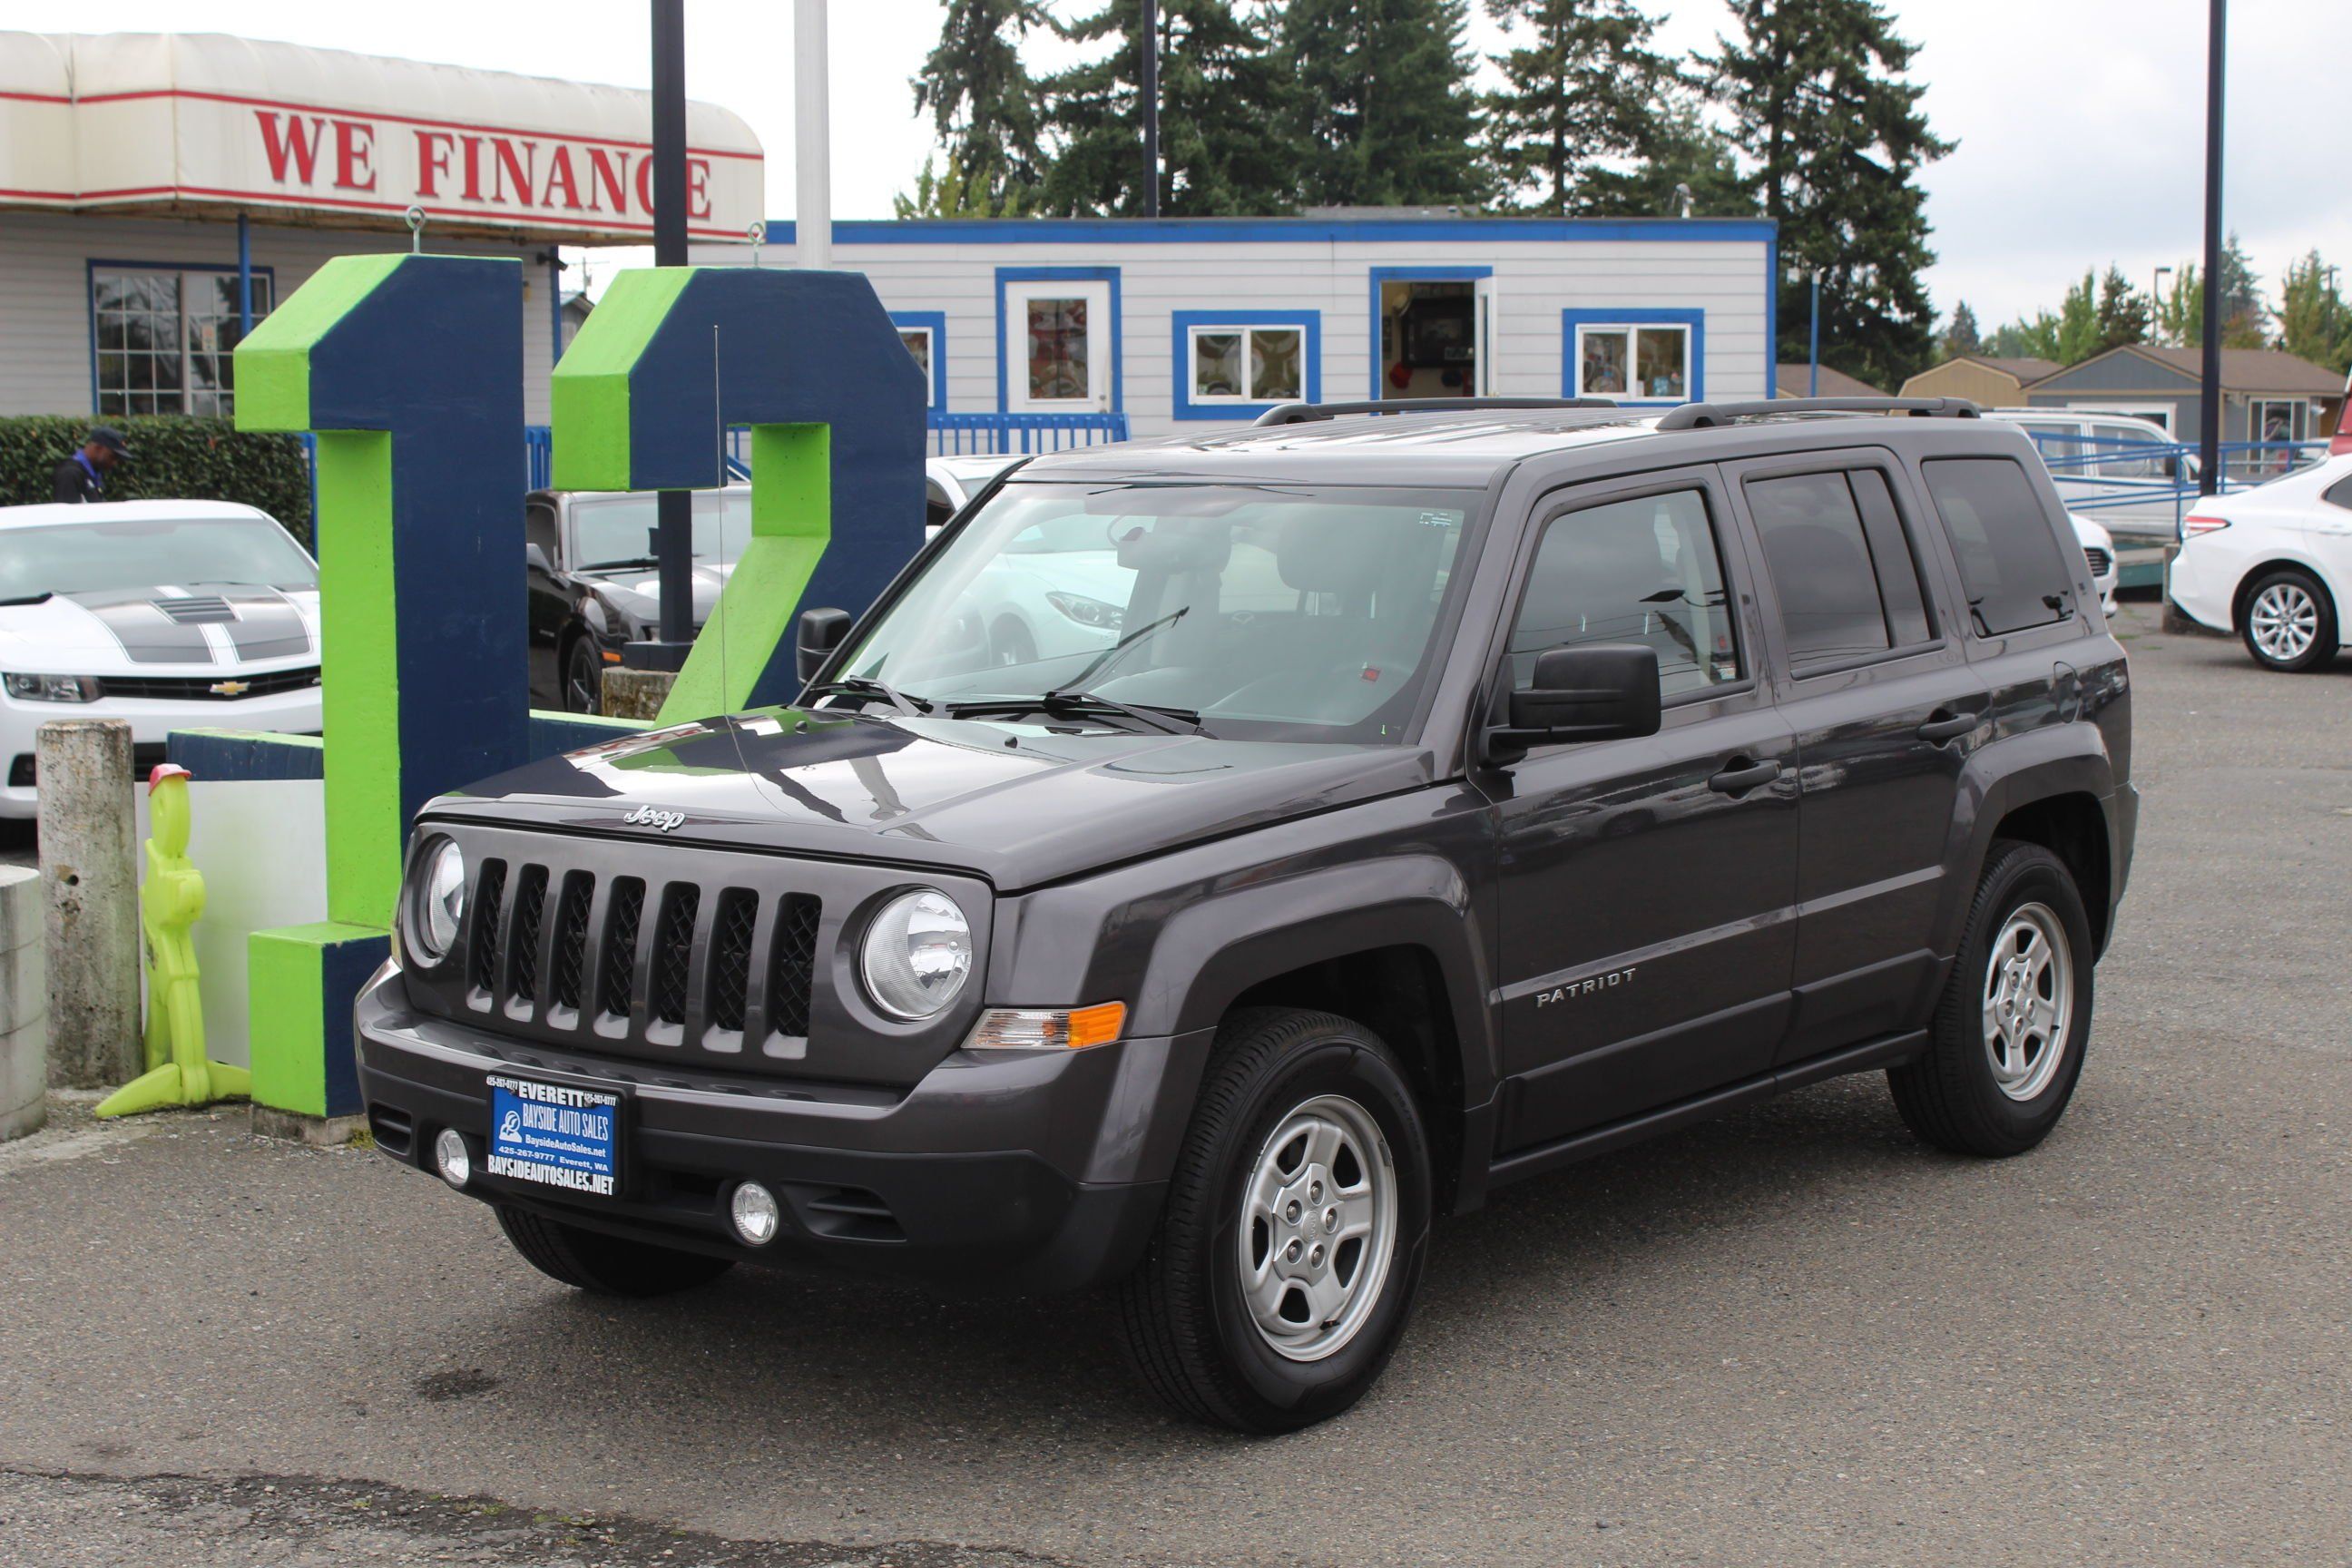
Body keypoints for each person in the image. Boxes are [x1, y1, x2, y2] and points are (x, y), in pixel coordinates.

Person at [51, 426, 130, 504]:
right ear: (98, 448)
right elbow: (67, 514)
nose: (114, 462)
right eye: (112, 456)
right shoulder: (70, 474)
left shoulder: (92, 473)